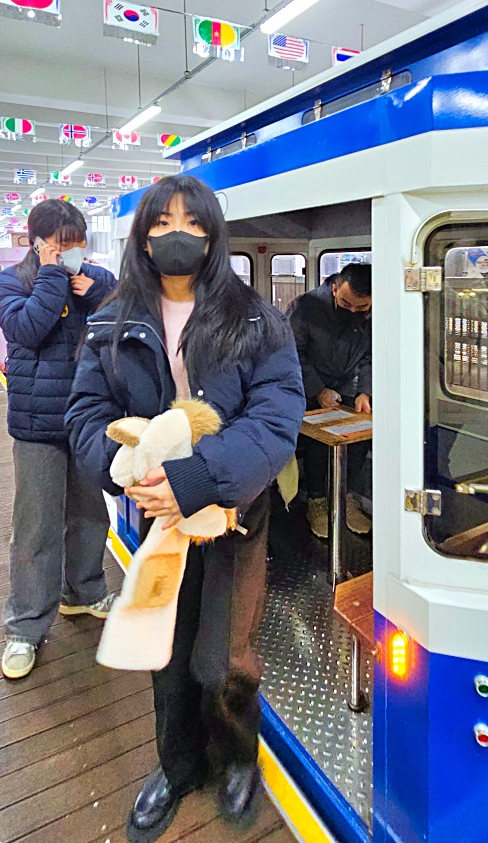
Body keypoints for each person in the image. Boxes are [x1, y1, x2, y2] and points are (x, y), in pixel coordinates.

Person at [67, 175, 305, 842]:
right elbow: (87, 414)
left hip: (234, 513)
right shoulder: (110, 321)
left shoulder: (256, 318)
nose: (179, 234)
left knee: (226, 656)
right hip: (155, 520)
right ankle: (175, 769)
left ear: (213, 233)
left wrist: (200, 478)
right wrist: (122, 470)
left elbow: (277, 415)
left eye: (194, 223)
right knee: (165, 652)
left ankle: (236, 761)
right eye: (164, 221)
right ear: (143, 234)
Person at [0, 199, 118, 680]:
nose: (71, 254)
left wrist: (97, 285)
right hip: (38, 423)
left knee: (89, 512)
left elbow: (122, 302)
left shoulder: (89, 278)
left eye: (77, 245)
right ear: (36, 243)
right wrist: (51, 277)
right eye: (61, 246)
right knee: (36, 527)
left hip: (87, 417)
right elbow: (27, 329)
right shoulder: (12, 283)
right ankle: (25, 627)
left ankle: (83, 592)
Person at [287, 262, 373, 537]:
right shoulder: (305, 307)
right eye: (346, 303)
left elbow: (372, 354)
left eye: (361, 308)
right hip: (309, 383)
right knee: (317, 443)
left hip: (350, 381)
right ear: (334, 287)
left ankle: (346, 496)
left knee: (359, 438)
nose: (353, 311)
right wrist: (318, 390)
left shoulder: (373, 311)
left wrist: (365, 391)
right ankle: (317, 500)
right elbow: (293, 354)